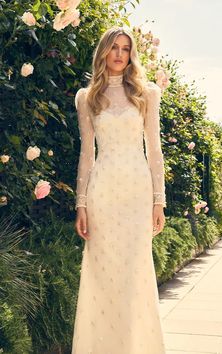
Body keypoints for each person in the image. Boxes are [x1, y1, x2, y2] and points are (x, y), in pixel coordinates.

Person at [72, 26, 167, 354]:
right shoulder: (87, 97)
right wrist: (81, 204)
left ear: (131, 54)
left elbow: (154, 151)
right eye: (114, 47)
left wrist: (159, 201)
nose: (119, 54)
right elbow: (87, 154)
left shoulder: (147, 93)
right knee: (103, 275)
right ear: (104, 51)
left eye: (125, 49)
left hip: (137, 194)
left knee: (134, 273)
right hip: (103, 194)